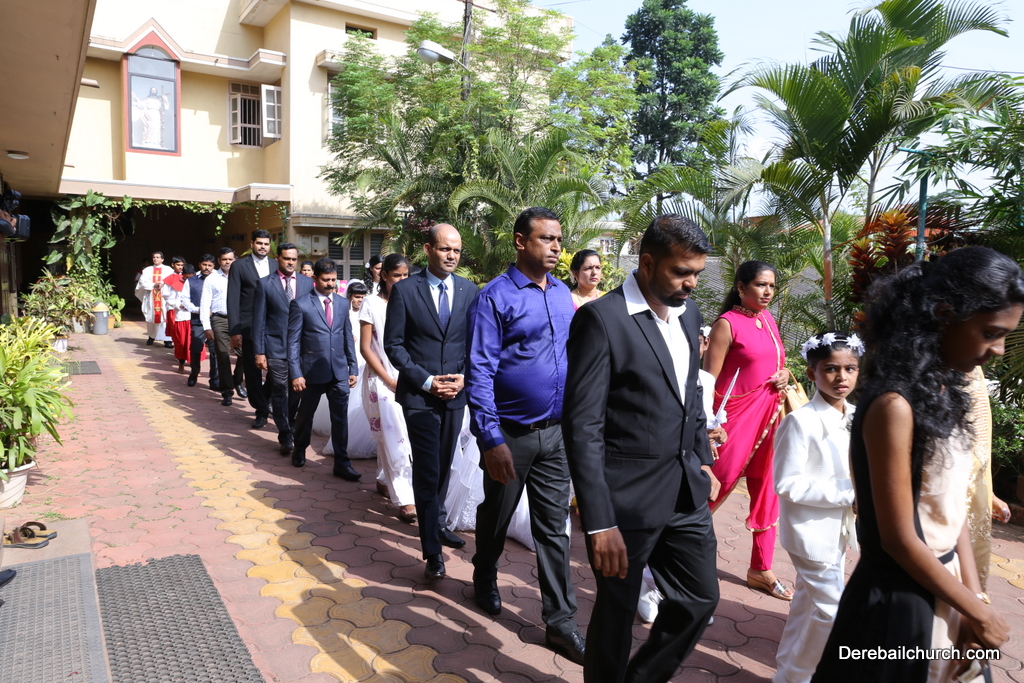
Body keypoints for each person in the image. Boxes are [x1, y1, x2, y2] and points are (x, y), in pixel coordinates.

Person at [813, 247, 1020, 683]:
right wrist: (977, 610)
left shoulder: (944, 391)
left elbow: (951, 512)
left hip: (945, 588)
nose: (999, 350)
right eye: (990, 333)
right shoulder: (894, 405)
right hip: (898, 603)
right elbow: (898, 540)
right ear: (944, 315)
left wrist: (973, 600)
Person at [564, 214, 720, 683]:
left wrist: (702, 458)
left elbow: (690, 391)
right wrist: (599, 521)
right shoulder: (602, 320)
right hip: (625, 502)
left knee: (700, 599)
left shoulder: (690, 314)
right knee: (616, 613)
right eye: (682, 272)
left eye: (697, 273)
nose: (692, 284)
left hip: (685, 492)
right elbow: (583, 426)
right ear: (648, 264)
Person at [466, 207, 585, 664]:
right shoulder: (495, 297)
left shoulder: (562, 294)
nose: (555, 247)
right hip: (510, 435)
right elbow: (479, 369)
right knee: (496, 515)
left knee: (554, 529)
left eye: (559, 240)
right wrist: (491, 438)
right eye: (546, 239)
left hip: (556, 434)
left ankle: (561, 623)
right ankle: (484, 573)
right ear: (520, 241)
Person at [384, 224, 478, 581]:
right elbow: (394, 345)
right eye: (444, 249)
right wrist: (426, 381)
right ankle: (432, 553)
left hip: (455, 395)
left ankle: (437, 523)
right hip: (420, 398)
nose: (451, 255)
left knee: (444, 465)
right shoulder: (406, 290)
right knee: (427, 469)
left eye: (456, 250)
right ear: (428, 249)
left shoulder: (469, 290)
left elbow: (475, 342)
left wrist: (464, 377)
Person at [773, 332, 862, 683]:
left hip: (838, 530)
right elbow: (786, 483)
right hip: (810, 533)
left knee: (807, 605)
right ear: (812, 373)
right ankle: (796, 677)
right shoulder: (800, 421)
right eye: (830, 369)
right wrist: (849, 493)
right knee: (832, 613)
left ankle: (786, 670)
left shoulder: (856, 415)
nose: (842, 377)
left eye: (850, 368)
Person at [704, 260, 792, 600]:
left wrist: (785, 374)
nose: (768, 292)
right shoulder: (726, 324)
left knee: (767, 490)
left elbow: (776, 363)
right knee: (714, 486)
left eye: (772, 286)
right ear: (741, 287)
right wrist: (708, 426)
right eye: (760, 285)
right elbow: (708, 382)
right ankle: (667, 553)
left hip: (769, 419)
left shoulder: (768, 319)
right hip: (734, 422)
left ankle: (760, 568)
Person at [637, 325, 726, 624]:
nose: (694, 348)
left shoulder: (705, 379)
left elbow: (701, 417)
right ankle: (650, 585)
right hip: (651, 469)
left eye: (699, 342)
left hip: (691, 469)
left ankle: (684, 593)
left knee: (695, 549)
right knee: (650, 536)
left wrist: (710, 451)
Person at [287, 257, 361, 481]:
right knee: (305, 415)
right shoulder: (300, 304)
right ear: (315, 279)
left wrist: (353, 367)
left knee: (340, 418)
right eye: (326, 280)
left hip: (339, 371)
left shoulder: (342, 303)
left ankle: (342, 462)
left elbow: (347, 335)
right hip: (311, 372)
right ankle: (300, 448)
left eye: (333, 280)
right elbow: (293, 342)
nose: (330, 284)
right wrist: (296, 373)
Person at [359, 254, 417, 523]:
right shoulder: (371, 303)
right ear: (384, 276)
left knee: (403, 434)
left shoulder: (413, 300)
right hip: (381, 379)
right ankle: (405, 499)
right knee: (393, 434)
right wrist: (389, 380)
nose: (402, 281)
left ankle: (384, 479)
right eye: (396, 276)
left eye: (406, 276)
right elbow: (366, 348)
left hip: (410, 377)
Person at [253, 242, 313, 456]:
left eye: (294, 259)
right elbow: (259, 320)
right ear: (277, 258)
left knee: (297, 391)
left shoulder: (307, 283)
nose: (290, 262)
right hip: (276, 347)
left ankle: (292, 422)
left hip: (302, 349)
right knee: (279, 390)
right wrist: (259, 352)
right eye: (286, 258)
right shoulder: (264, 284)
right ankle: (285, 434)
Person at [228, 229, 274, 428]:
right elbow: (233, 298)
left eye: (266, 244)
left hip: (273, 327)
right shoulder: (239, 266)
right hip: (248, 327)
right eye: (259, 243)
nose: (263, 247)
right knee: (253, 372)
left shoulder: (275, 265)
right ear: (252, 244)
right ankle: (261, 411)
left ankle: (265, 399)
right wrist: (235, 330)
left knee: (276, 369)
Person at [200, 248, 237, 406]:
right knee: (223, 355)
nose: (227, 262)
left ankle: (237, 380)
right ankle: (227, 391)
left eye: (230, 259)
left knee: (245, 354)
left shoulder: (241, 276)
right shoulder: (212, 279)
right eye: (224, 259)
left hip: (239, 320)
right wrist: (206, 326)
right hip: (219, 319)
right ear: (219, 261)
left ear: (235, 260)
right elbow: (204, 303)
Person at [187, 255, 218, 388]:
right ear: (200, 264)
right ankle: (194, 372)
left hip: (215, 320)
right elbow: (185, 299)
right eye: (204, 265)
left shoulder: (219, 279)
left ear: (214, 266)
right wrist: (200, 310)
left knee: (215, 350)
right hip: (198, 319)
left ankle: (214, 379)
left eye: (210, 265)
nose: (207, 268)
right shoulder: (191, 280)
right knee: (195, 348)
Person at [161, 257, 195, 373]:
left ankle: (194, 365)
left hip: (193, 316)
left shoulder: (196, 282)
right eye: (186, 278)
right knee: (180, 341)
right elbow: (166, 297)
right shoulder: (173, 280)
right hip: (179, 314)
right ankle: (181, 361)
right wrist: (178, 305)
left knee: (193, 341)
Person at [136, 251, 173, 347]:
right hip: (151, 297)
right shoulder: (147, 270)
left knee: (165, 317)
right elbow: (142, 282)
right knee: (151, 316)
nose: (155, 259)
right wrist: (153, 285)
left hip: (164, 297)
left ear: (162, 259)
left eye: (157, 257)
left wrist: (163, 284)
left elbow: (172, 281)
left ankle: (167, 340)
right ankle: (151, 337)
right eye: (154, 257)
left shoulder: (168, 270)